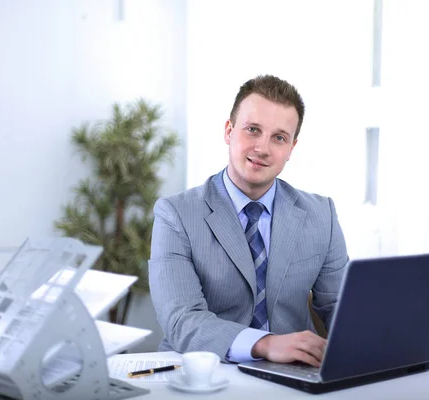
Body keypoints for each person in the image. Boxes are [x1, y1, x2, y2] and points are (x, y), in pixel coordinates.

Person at [148, 75, 349, 367]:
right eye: (253, 130)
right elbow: (182, 320)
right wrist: (264, 344)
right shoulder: (175, 214)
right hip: (204, 373)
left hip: (292, 376)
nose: (263, 148)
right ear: (229, 131)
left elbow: (338, 307)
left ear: (291, 147)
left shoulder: (322, 215)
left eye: (279, 137)